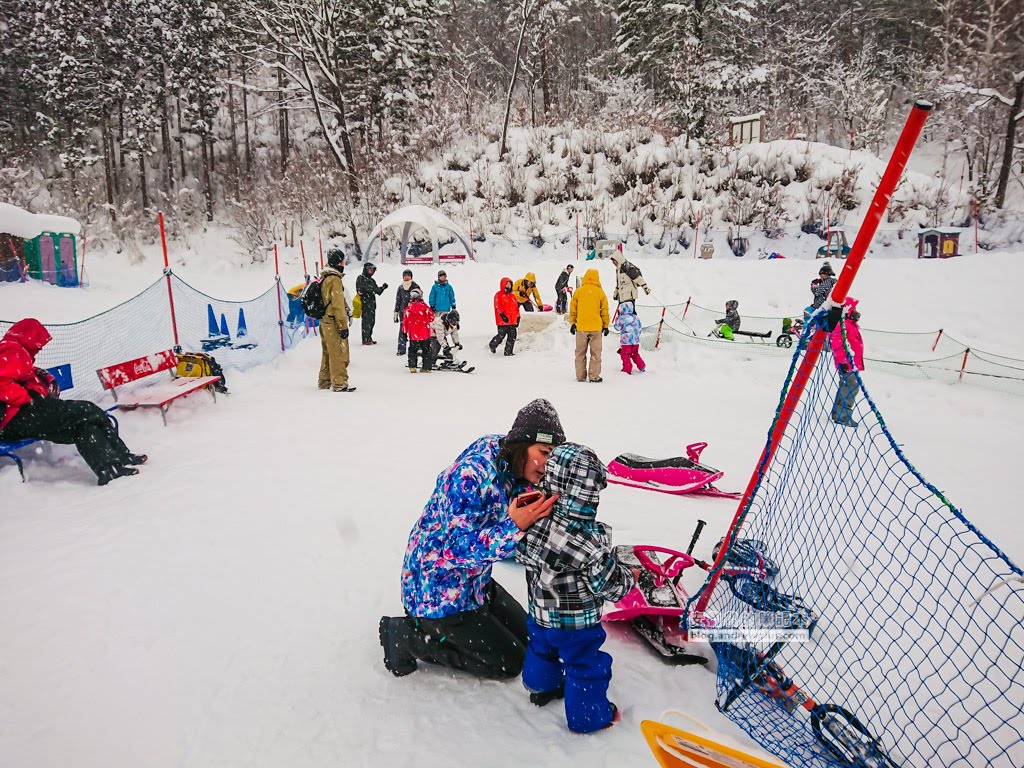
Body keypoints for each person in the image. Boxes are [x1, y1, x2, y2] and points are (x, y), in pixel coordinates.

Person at [379, 399, 564, 679]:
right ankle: (405, 637)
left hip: (475, 582)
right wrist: (514, 527)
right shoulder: (470, 476)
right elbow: (455, 549)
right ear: (522, 443)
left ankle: (467, 617)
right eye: (544, 452)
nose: (547, 464)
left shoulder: (511, 462)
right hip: (437, 591)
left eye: (554, 457)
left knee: (532, 642)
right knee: (511, 664)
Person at [516, 442, 633, 733]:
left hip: (540, 614)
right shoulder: (588, 542)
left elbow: (522, 554)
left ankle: (540, 686)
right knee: (585, 665)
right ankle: (588, 718)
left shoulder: (533, 519)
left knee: (541, 649)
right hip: (576, 626)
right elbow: (611, 586)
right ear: (588, 492)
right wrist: (628, 576)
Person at [0, 318, 147, 485]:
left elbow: (19, 372)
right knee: (88, 410)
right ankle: (122, 454)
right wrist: (28, 398)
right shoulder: (12, 349)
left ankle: (109, 468)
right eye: (38, 342)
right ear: (28, 337)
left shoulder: (14, 351)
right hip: (18, 416)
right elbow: (1, 382)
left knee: (83, 425)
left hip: (18, 419)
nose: (40, 348)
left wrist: (44, 377)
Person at [318, 249, 354, 392]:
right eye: (342, 261)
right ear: (339, 262)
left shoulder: (325, 277)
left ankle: (324, 380)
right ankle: (339, 382)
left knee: (327, 351)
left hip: (324, 320)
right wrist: (343, 325)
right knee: (337, 352)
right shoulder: (335, 279)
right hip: (332, 321)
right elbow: (338, 305)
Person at [569, 268, 610, 383]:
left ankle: (580, 376)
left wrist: (572, 323)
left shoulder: (578, 292)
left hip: (581, 327)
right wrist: (606, 326)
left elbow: (573, 309)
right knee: (596, 353)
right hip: (596, 328)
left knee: (580, 353)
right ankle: (594, 376)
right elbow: (604, 311)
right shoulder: (600, 292)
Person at [830, 297, 864, 427]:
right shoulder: (842, 325)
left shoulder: (850, 325)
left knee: (846, 386)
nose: (856, 312)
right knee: (851, 387)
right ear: (847, 310)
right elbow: (837, 343)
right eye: (853, 309)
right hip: (846, 363)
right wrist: (842, 362)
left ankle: (838, 413)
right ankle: (843, 416)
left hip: (851, 363)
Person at [402, 287, 434, 373]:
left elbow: (405, 321)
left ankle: (412, 367)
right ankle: (427, 367)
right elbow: (431, 317)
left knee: (413, 350)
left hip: (413, 333)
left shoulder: (408, 309)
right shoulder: (425, 307)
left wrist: (404, 332)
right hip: (424, 333)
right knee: (426, 350)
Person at [355, 262, 388, 345]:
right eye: (370, 270)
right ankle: (365, 339)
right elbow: (361, 290)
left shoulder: (372, 280)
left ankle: (369, 337)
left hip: (372, 305)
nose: (371, 272)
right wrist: (370, 289)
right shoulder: (361, 278)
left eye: (373, 270)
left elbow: (377, 291)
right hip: (365, 304)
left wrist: (383, 287)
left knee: (371, 322)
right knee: (366, 322)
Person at [489, 277, 520, 356]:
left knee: (512, 336)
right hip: (502, 321)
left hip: (512, 320)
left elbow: (516, 308)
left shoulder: (513, 296)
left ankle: (508, 352)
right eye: (507, 284)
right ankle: (493, 344)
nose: (508, 286)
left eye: (510, 284)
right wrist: (502, 315)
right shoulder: (498, 295)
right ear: (503, 285)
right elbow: (497, 306)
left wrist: (518, 317)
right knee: (501, 336)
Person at [612, 302, 646, 374]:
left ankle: (627, 369)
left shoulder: (622, 318)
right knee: (635, 354)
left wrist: (617, 320)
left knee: (625, 355)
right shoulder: (636, 317)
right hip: (635, 341)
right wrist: (637, 336)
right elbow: (640, 328)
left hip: (626, 342)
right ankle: (642, 366)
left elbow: (617, 327)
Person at [393, 268, 420, 357]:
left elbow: (420, 300)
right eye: (405, 276)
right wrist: (396, 312)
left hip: (413, 313)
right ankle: (401, 349)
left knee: (415, 331)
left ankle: (416, 348)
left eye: (408, 275)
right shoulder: (400, 287)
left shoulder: (415, 286)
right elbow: (398, 300)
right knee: (402, 331)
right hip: (403, 313)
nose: (407, 277)